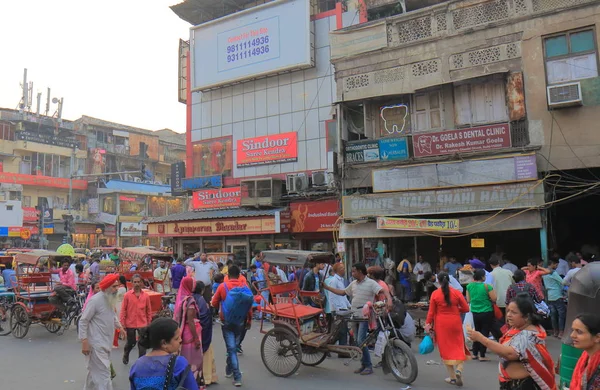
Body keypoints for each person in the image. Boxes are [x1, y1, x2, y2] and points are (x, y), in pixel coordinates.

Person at [467, 293, 556, 390]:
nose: (508, 315)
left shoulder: (527, 335)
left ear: (526, 316)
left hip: (524, 385)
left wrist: (481, 338)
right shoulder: (518, 329)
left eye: (514, 312)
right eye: (508, 311)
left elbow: (510, 353)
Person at [323, 263, 393, 375]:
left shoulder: (371, 283)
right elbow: (342, 293)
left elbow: (384, 291)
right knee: (357, 342)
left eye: (354, 271)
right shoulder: (353, 284)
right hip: (354, 316)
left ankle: (368, 366)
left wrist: (389, 300)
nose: (352, 273)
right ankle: (363, 365)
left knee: (361, 341)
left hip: (364, 317)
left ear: (360, 271)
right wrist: (327, 288)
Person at [79, 273, 126, 390]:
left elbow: (112, 315)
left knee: (94, 372)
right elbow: (83, 321)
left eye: (117, 286)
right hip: (96, 344)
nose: (117, 289)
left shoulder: (109, 299)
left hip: (106, 343)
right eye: (114, 287)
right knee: (105, 374)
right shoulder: (95, 301)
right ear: (107, 287)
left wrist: (120, 328)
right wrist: (84, 341)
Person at [211, 265, 253, 387]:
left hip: (227, 322)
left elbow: (214, 303)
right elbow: (249, 306)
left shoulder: (222, 286)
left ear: (228, 275)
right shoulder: (244, 287)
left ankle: (237, 376)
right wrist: (249, 320)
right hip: (241, 321)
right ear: (239, 275)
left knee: (232, 349)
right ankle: (229, 369)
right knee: (233, 347)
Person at [425, 272, 470, 386]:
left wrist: (428, 324)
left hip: (441, 324)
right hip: (455, 322)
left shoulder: (435, 294)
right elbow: (466, 308)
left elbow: (431, 312)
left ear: (438, 281)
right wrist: (455, 310)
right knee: (459, 345)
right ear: (449, 280)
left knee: (445, 350)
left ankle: (452, 377)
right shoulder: (456, 292)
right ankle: (459, 369)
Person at [128, 317, 199, 390]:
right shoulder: (179, 363)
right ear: (164, 343)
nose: (180, 340)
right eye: (177, 338)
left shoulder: (136, 366)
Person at [174, 277, 203, 384]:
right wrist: (196, 338)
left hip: (183, 332)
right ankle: (192, 382)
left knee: (184, 358)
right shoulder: (190, 301)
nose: (194, 285)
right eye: (193, 283)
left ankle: (182, 381)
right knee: (193, 360)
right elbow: (190, 321)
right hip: (190, 334)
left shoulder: (181, 299)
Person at [120, 274, 153, 365]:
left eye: (138, 282)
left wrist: (149, 323)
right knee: (131, 342)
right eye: (135, 282)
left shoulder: (146, 296)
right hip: (130, 323)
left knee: (142, 344)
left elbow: (148, 311)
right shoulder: (127, 295)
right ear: (132, 283)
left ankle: (140, 363)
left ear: (141, 283)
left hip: (143, 323)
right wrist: (122, 323)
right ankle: (126, 354)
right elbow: (123, 310)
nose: (137, 284)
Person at [466, 269, 497, 361]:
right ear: (482, 277)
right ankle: (482, 355)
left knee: (476, 331)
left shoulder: (469, 286)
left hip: (475, 312)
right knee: (484, 333)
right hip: (487, 311)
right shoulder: (487, 286)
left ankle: (475, 353)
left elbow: (468, 300)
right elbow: (494, 299)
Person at [193, 281, 218, 386]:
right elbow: (203, 318)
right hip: (202, 332)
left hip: (195, 333)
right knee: (206, 354)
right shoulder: (201, 300)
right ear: (202, 290)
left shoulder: (190, 298)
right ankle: (206, 378)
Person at [569, 313, 600, 390]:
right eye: (573, 330)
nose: (572, 335)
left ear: (597, 337)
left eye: (579, 332)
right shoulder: (585, 357)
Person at [325, 262, 350, 344]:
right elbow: (331, 296)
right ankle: (329, 344)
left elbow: (343, 295)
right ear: (338, 271)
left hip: (343, 308)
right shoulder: (334, 281)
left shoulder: (341, 280)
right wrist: (335, 310)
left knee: (343, 330)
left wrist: (349, 306)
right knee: (340, 330)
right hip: (338, 309)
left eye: (344, 268)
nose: (344, 270)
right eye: (342, 269)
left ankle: (342, 349)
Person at [543, 258, 566, 338]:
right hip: (557, 295)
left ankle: (555, 331)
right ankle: (561, 332)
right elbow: (563, 282)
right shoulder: (554, 273)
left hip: (550, 296)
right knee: (561, 315)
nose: (556, 266)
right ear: (552, 263)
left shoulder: (544, 273)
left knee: (553, 315)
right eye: (556, 265)